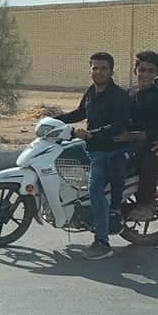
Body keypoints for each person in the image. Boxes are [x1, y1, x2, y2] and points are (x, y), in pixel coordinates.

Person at [53, 52, 130, 260]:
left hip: (108, 151)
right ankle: (72, 205)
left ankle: (102, 241)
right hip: (89, 145)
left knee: (95, 188)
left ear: (111, 71)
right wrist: (53, 121)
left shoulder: (119, 96)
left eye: (103, 68)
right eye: (95, 68)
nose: (98, 72)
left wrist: (92, 134)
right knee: (56, 156)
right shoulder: (91, 92)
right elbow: (79, 113)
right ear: (90, 71)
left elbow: (119, 126)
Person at [113, 51, 158, 221]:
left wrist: (135, 135)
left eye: (151, 71)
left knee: (144, 160)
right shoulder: (130, 92)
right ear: (135, 70)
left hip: (151, 142)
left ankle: (143, 204)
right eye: (142, 70)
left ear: (157, 73)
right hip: (129, 140)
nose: (145, 74)